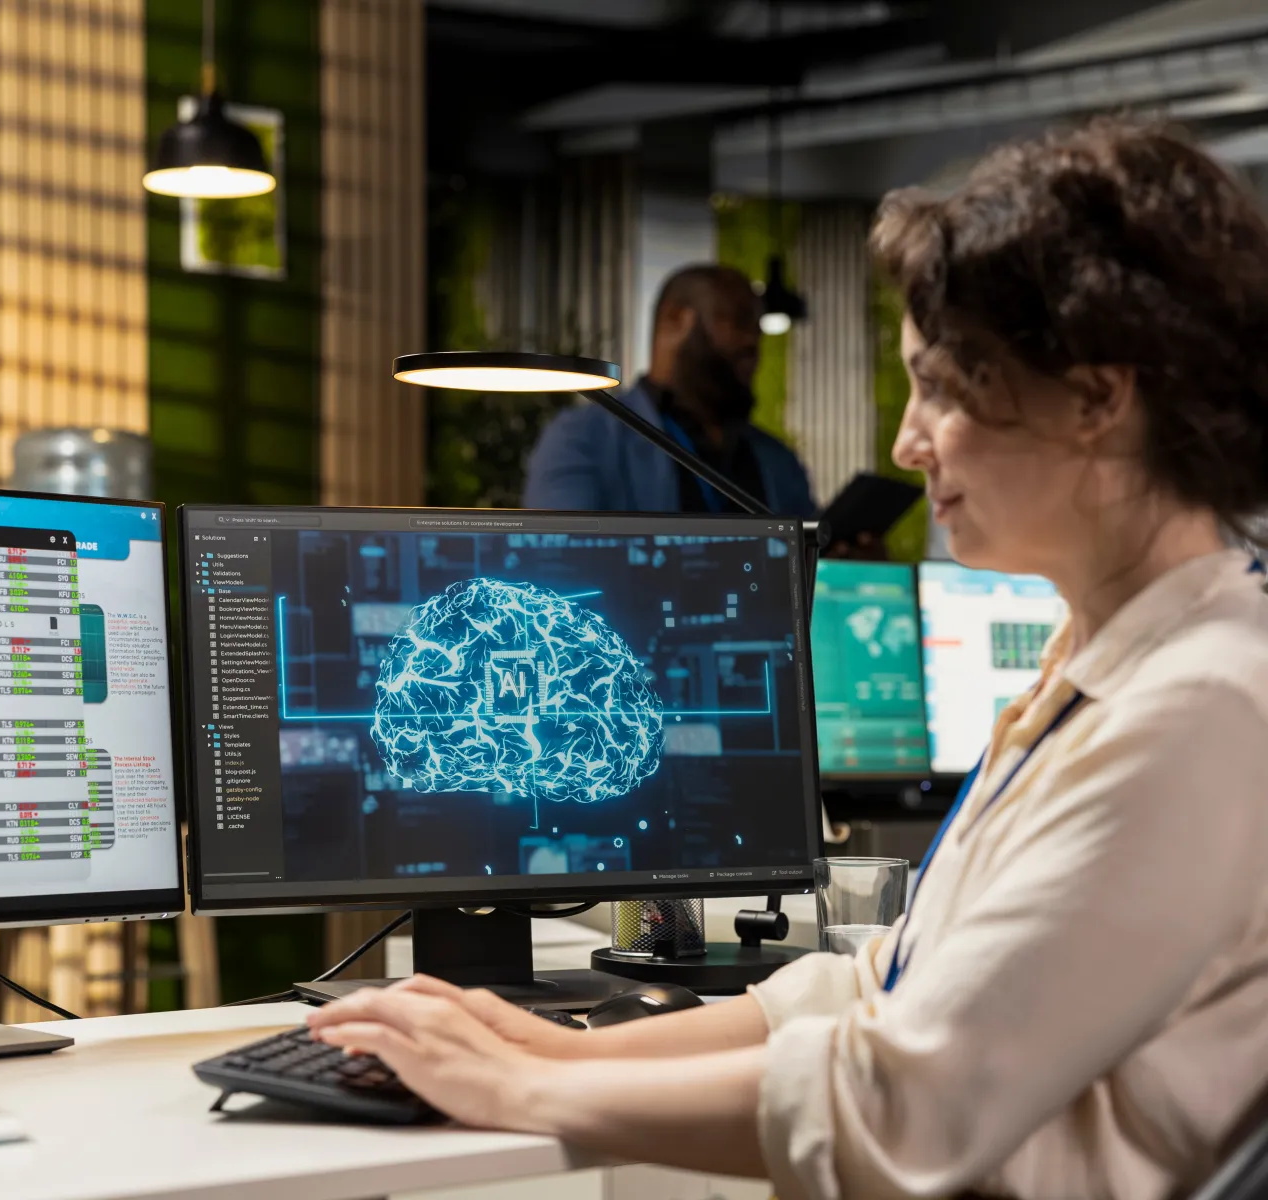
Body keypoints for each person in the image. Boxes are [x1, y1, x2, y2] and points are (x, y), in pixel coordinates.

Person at [308, 120, 1268, 1199]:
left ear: (1097, 397)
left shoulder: (1200, 712)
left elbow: (900, 1104)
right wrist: (546, 1047)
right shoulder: (1112, 657)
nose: (907, 444)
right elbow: (888, 984)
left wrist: (510, 1089)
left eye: (945, 388)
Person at [522, 264, 816, 516]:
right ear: (676, 320)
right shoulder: (582, 439)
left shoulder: (777, 459)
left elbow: (809, 565)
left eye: (757, 327)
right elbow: (558, 558)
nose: (753, 340)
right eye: (738, 320)